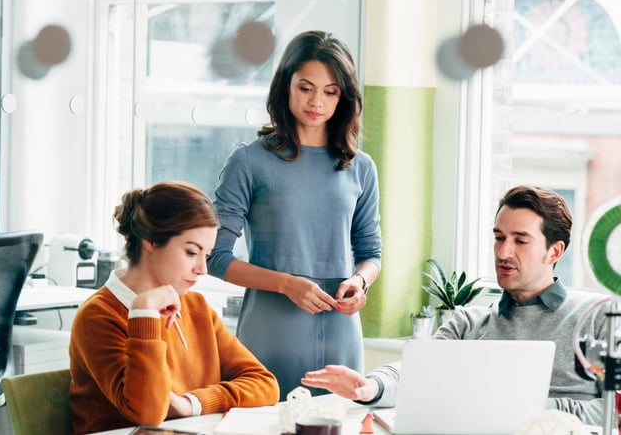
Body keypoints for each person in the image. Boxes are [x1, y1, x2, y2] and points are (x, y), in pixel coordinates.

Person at [301, 185, 609, 425]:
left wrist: (527, 410)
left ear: (555, 251)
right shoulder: (469, 322)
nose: (503, 252)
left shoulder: (597, 316)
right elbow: (417, 371)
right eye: (499, 238)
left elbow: (612, 412)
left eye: (520, 240)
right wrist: (371, 386)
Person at [207, 30, 382, 400]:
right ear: (286, 85)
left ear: (343, 97)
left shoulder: (361, 167)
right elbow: (215, 257)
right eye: (306, 87)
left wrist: (360, 283)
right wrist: (287, 284)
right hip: (270, 333)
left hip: (341, 333)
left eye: (330, 91)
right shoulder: (249, 161)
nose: (317, 101)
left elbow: (371, 253)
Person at [68, 181, 279, 434]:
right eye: (192, 252)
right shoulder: (99, 316)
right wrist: (144, 313)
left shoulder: (195, 305)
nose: (202, 269)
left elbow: (265, 384)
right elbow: (148, 413)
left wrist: (192, 404)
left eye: (207, 255)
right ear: (151, 242)